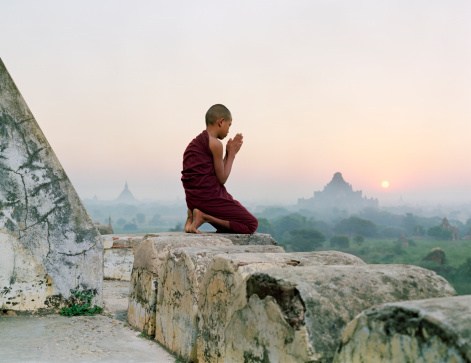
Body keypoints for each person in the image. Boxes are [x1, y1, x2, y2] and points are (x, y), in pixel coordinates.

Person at [181, 104, 258, 234]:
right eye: (229, 125)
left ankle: (192, 217)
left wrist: (227, 154)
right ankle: (204, 216)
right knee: (251, 224)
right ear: (221, 122)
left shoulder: (195, 142)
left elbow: (213, 173)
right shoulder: (215, 144)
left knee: (229, 227)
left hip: (193, 200)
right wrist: (232, 154)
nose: (228, 130)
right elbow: (222, 178)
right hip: (209, 199)